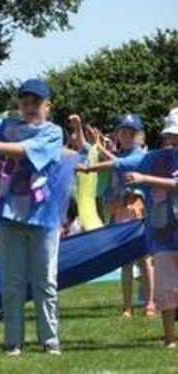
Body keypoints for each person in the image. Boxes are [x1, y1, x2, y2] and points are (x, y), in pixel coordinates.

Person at [0, 79, 67, 356]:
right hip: (8, 216)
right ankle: (13, 342)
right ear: (19, 104)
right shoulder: (8, 126)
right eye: (24, 102)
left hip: (43, 218)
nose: (29, 107)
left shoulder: (53, 132)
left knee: (45, 282)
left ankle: (49, 340)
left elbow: (25, 150)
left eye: (36, 102)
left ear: (47, 106)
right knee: (12, 282)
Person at [77, 114, 156, 319]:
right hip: (120, 213)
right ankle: (127, 306)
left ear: (140, 135)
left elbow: (117, 165)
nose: (127, 135)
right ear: (118, 134)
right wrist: (95, 145)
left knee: (144, 260)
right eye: (123, 132)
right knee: (126, 263)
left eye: (132, 132)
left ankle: (150, 303)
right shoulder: (121, 154)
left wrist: (88, 168)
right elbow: (106, 157)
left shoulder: (141, 155)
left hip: (138, 213)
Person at [112, 109, 178, 347]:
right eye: (170, 136)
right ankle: (170, 339)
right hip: (162, 236)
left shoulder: (149, 165)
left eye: (176, 136)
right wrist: (86, 167)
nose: (172, 141)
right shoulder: (153, 159)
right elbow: (120, 164)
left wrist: (145, 179)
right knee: (167, 290)